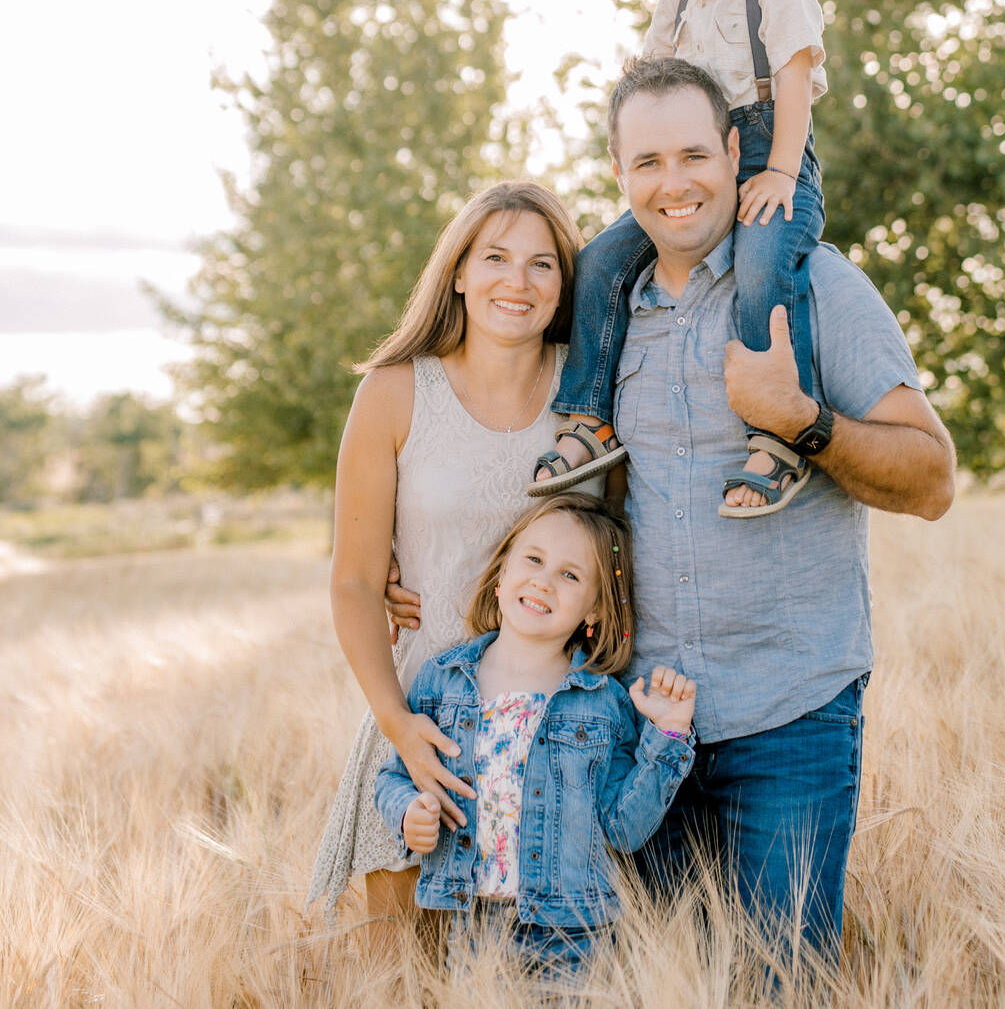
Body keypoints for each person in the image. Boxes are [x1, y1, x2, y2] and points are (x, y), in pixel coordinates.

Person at [601, 55, 956, 966]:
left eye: (692, 154)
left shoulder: (814, 285)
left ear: (734, 150)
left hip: (790, 715)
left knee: (780, 984)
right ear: (618, 173)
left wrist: (798, 420)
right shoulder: (601, 316)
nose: (673, 183)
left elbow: (931, 479)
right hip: (643, 731)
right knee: (659, 980)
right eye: (647, 163)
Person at [306, 181, 592, 933]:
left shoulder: (588, 390)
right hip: (423, 733)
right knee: (401, 972)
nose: (517, 281)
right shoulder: (394, 393)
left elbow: (612, 546)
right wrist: (399, 726)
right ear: (458, 271)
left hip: (550, 733)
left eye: (542, 264)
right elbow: (356, 583)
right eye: (494, 256)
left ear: (565, 285)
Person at [531, 0, 828, 517]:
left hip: (764, 148)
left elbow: (793, 79)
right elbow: (645, 85)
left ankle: (778, 436)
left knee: (762, 263)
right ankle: (587, 421)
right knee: (601, 262)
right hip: (685, 165)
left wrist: (781, 171)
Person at [374, 494, 696, 974]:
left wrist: (667, 737)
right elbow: (394, 775)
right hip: (472, 926)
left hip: (576, 938)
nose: (544, 581)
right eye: (534, 559)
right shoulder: (444, 680)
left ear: (594, 611)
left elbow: (624, 830)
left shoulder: (603, 703)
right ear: (502, 576)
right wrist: (408, 812)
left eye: (570, 575)